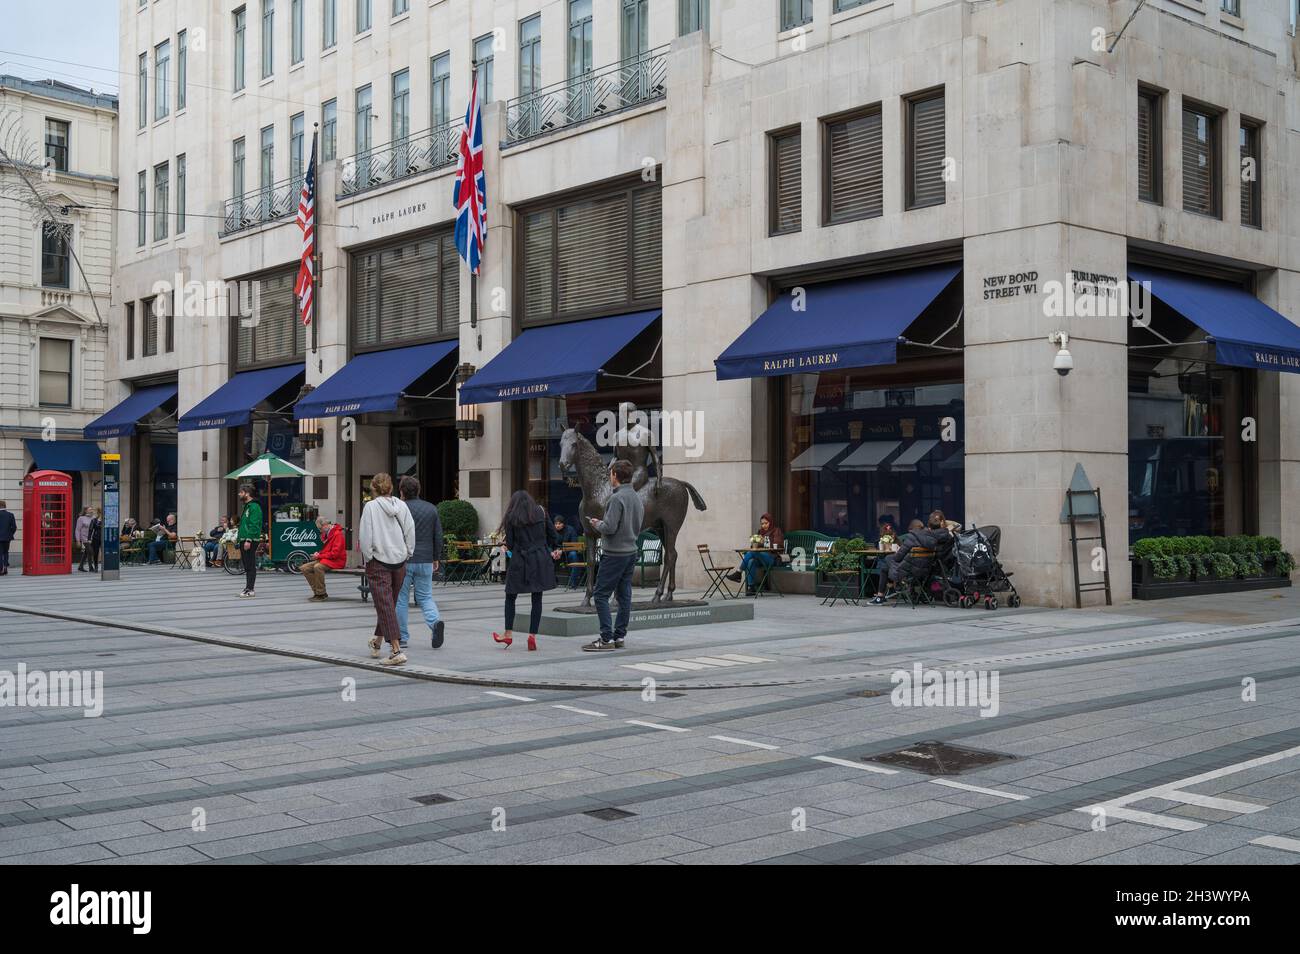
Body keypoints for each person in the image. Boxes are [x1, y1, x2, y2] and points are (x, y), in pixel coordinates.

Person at [582, 459, 645, 652]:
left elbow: (609, 527)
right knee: (624, 596)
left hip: (614, 553)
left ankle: (606, 638)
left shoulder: (616, 499)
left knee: (600, 594)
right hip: (630, 552)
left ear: (615, 476)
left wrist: (596, 524)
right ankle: (619, 636)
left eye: (610, 474)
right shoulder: (635, 497)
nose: (609, 477)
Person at [492, 490, 559, 652]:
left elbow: (513, 545)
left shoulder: (511, 518)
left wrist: (507, 545)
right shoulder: (541, 512)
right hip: (540, 559)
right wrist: (552, 549)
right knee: (537, 598)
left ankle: (508, 633)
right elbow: (553, 537)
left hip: (520, 561)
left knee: (510, 596)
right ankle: (532, 636)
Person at [360, 473, 415, 666]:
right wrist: (407, 552)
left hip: (378, 561)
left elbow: (366, 535)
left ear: (373, 488)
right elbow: (410, 530)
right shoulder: (402, 505)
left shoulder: (370, 507)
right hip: (400, 561)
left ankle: (396, 650)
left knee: (385, 605)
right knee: (388, 604)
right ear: (391, 488)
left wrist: (368, 557)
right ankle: (377, 642)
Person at [396, 476, 445, 650]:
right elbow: (438, 535)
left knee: (401, 598)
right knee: (425, 597)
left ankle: (401, 637)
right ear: (418, 490)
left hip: (404, 559)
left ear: (402, 491)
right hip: (425, 559)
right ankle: (435, 622)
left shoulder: (399, 508)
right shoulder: (431, 508)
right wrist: (436, 557)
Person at [870, 511, 954, 605]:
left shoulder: (913, 537)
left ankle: (882, 595)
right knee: (887, 565)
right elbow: (955, 525)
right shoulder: (939, 538)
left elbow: (898, 558)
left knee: (887, 561)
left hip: (909, 572)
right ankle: (889, 591)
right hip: (926, 571)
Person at [727, 512, 785, 596]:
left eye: (766, 523)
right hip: (759, 557)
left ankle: (739, 572)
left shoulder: (776, 530)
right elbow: (753, 546)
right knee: (751, 561)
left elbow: (778, 545)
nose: (764, 525)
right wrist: (755, 541)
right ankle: (751, 587)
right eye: (762, 524)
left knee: (752, 553)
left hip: (772, 558)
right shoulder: (760, 532)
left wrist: (764, 541)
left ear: (771, 522)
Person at [300, 516, 347, 601]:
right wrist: (319, 554)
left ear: (325, 525)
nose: (319, 530)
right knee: (304, 568)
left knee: (318, 567)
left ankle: (321, 593)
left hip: (337, 561)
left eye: (320, 528)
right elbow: (329, 551)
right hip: (330, 559)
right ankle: (318, 592)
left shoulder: (337, 534)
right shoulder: (329, 533)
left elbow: (335, 554)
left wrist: (319, 556)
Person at [236, 485, 263, 597]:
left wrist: (248, 540)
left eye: (241, 492)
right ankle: (248, 587)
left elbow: (254, 524)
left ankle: (250, 589)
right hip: (244, 539)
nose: (239, 494)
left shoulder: (254, 507)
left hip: (249, 540)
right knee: (247, 565)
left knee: (250, 565)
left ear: (247, 493)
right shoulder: (248, 506)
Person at [552, 513, 584, 589]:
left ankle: (573, 582)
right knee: (545, 556)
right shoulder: (552, 531)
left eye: (559, 523)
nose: (557, 525)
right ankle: (552, 582)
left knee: (574, 554)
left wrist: (562, 551)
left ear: (563, 524)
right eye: (556, 524)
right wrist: (553, 552)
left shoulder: (570, 530)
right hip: (556, 553)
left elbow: (574, 545)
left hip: (568, 553)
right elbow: (549, 544)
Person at [0, 500, 16, 576]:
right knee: (6, 552)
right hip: (7, 538)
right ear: (5, 506)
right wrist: (9, 534)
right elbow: (14, 527)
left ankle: (1, 569)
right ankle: (5, 567)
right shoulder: (10, 515)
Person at [86, 507, 102, 572]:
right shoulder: (94, 520)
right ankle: (96, 567)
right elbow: (90, 530)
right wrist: (89, 538)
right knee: (95, 553)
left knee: (106, 552)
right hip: (96, 538)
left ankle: (106, 566)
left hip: (104, 538)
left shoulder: (106, 520)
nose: (95, 513)